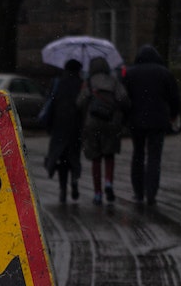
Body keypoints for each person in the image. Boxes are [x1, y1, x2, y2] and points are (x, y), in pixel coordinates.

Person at [121, 45, 181, 207]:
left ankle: (138, 191)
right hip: (158, 120)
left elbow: (124, 98)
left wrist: (125, 117)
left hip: (136, 120)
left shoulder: (130, 73)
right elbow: (174, 97)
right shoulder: (164, 73)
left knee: (138, 155)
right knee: (154, 157)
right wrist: (173, 114)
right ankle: (151, 192)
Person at [79, 57, 130, 205]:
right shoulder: (114, 82)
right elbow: (124, 99)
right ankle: (108, 182)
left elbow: (80, 103)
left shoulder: (89, 82)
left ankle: (97, 193)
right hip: (111, 122)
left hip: (92, 123)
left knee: (96, 158)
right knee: (109, 155)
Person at [38, 59, 86, 203]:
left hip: (59, 126)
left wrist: (49, 126)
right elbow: (84, 106)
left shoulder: (57, 83)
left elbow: (50, 102)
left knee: (62, 159)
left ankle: (63, 188)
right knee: (74, 157)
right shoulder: (81, 84)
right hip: (75, 127)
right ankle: (74, 181)